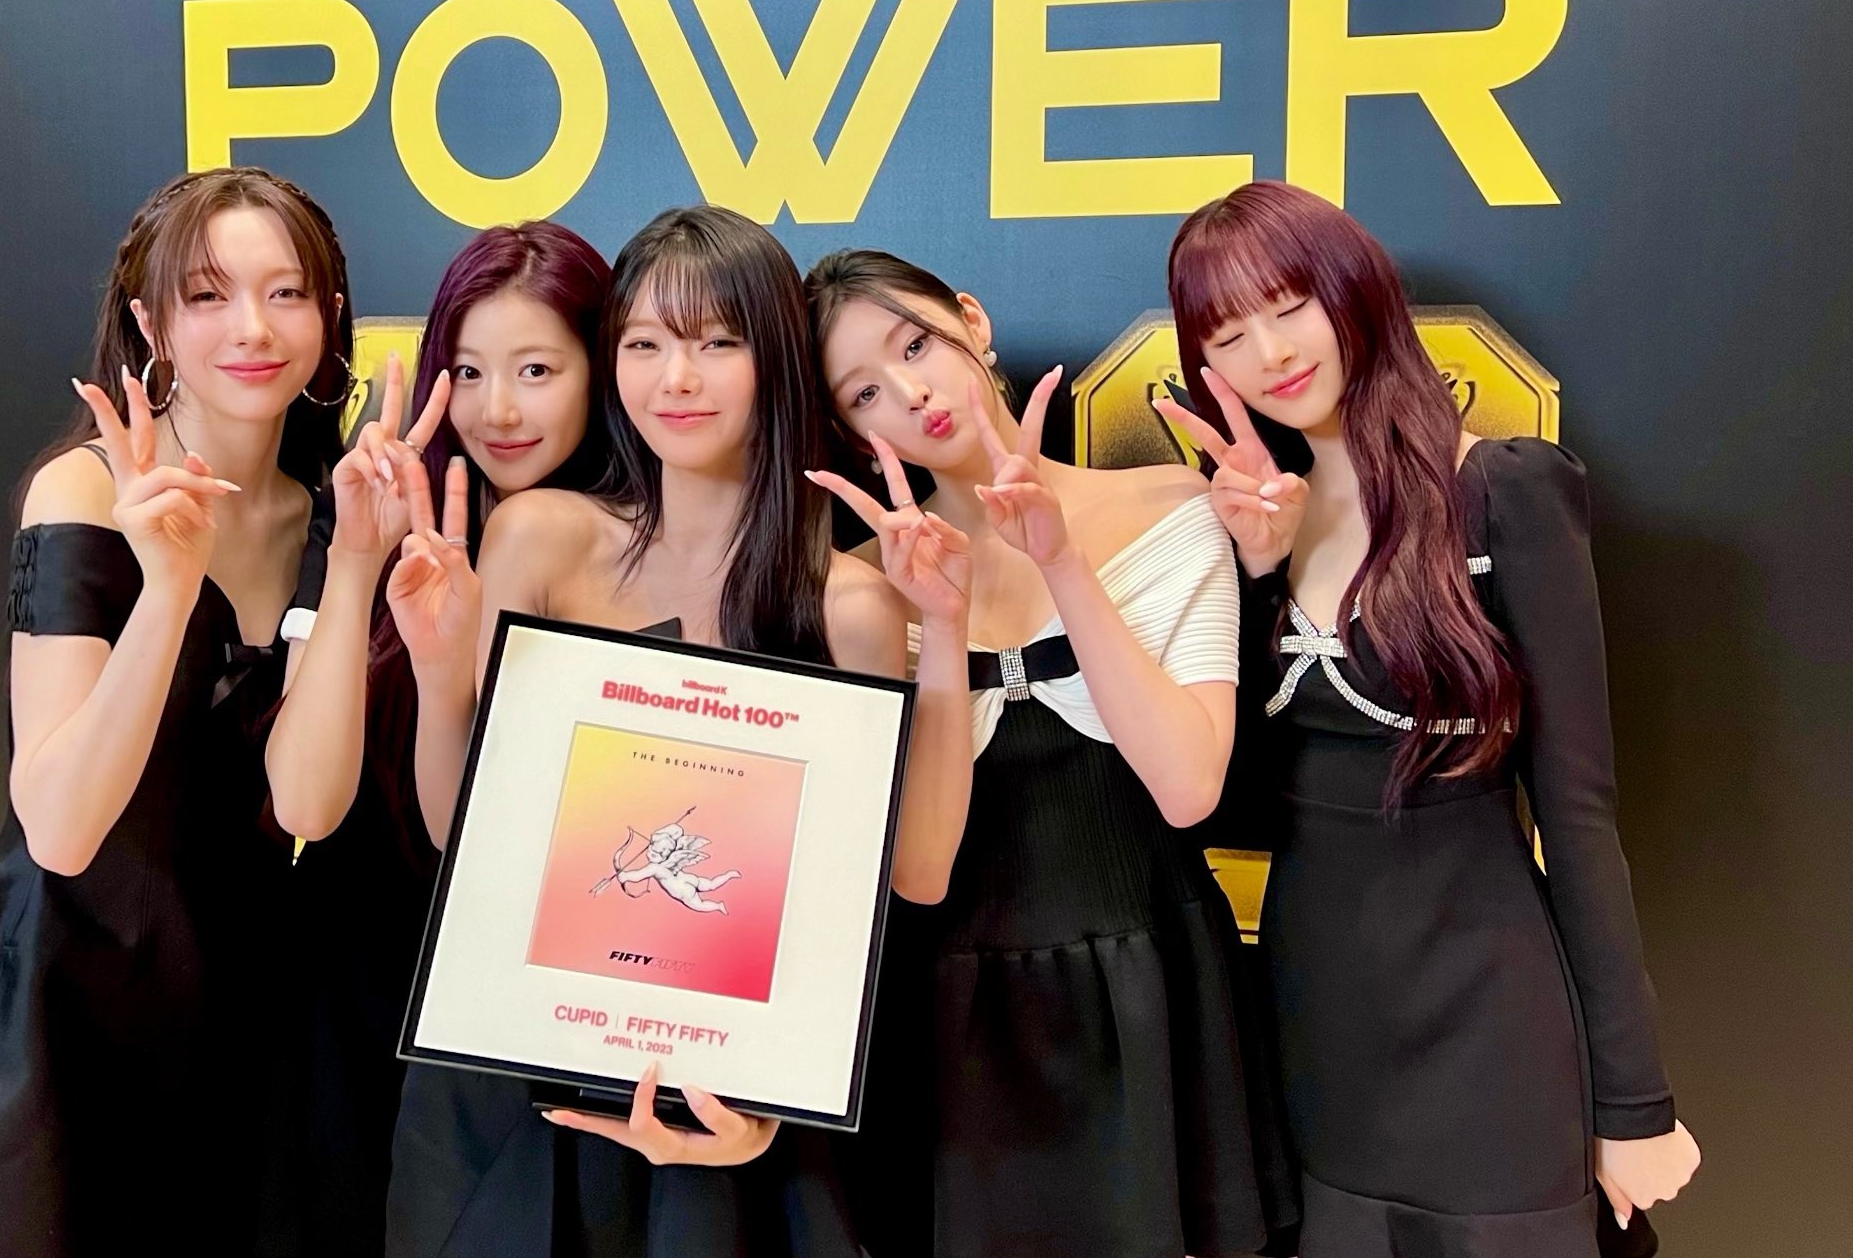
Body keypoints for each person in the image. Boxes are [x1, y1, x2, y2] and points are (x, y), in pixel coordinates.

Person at [1162, 179, 1700, 1257]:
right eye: (1228, 335)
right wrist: (1258, 574)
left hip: (1485, 1014)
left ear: (1353, 289)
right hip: (1315, 1022)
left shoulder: (1500, 491)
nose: (1271, 352)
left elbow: (1577, 811)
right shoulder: (1245, 523)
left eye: (1290, 305)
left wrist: (1632, 1101)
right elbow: (1229, 801)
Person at [0, 168, 365, 1258]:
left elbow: (309, 805)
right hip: (53, 996)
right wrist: (168, 592)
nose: (253, 328)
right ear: (151, 322)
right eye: (209, 295)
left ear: (328, 317)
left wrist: (360, 562)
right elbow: (61, 826)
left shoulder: (327, 520)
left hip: (232, 1019)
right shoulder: (82, 490)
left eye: (286, 293)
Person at [385, 205, 908, 1258]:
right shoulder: (541, 536)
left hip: (732, 1113)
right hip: (516, 1082)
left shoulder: (853, 604)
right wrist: (441, 677)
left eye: (716, 343)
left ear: (776, 361)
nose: (676, 378)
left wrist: (765, 1104)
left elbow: (854, 905)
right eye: (643, 344)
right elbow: (461, 843)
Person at [803, 248, 1298, 1258]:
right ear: (852, 432)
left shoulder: (1169, 505)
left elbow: (1188, 787)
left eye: (915, 345)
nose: (910, 393)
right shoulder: (859, 589)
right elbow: (920, 870)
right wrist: (942, 622)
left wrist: (1059, 558)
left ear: (972, 321)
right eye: (865, 392)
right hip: (957, 1023)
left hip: (1155, 986)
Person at [259, 221, 611, 1258]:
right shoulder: (363, 515)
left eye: (537, 369)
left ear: (600, 369)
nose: (497, 409)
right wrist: (358, 560)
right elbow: (301, 800)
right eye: (468, 371)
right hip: (354, 973)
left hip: (535, 1015)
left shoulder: (636, 539)